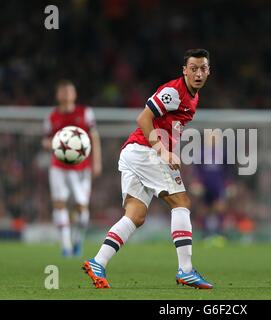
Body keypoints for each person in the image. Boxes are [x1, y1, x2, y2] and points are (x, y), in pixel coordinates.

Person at [82, 49, 213, 289]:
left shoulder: (193, 96)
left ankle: (98, 261)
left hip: (133, 152)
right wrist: (162, 150)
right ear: (184, 70)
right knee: (181, 202)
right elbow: (143, 118)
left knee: (135, 215)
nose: (198, 73)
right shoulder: (174, 91)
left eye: (202, 68)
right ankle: (185, 270)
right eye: (193, 68)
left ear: (208, 71)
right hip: (145, 151)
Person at [42, 80, 102, 257]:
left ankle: (78, 239)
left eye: (69, 91)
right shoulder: (51, 116)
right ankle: (66, 246)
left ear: (74, 94)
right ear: (57, 95)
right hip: (58, 166)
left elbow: (94, 137)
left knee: (81, 207)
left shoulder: (85, 113)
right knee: (59, 203)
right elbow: (44, 139)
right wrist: (52, 143)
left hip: (81, 167)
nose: (66, 94)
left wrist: (97, 161)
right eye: (63, 91)